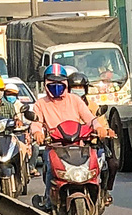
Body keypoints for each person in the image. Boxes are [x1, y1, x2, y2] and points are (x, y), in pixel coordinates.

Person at [27, 62, 100, 200]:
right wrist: (37, 132)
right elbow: (36, 122)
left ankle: (98, 196)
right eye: (51, 83)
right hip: (55, 147)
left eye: (59, 82)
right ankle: (49, 200)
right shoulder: (41, 104)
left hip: (78, 146)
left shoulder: (75, 100)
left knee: (96, 167)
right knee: (50, 172)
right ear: (45, 84)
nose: (56, 86)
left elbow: (90, 118)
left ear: (66, 83)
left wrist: (99, 127)